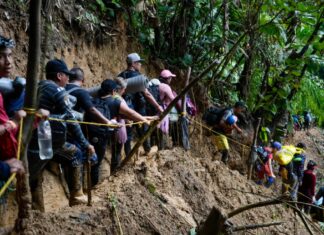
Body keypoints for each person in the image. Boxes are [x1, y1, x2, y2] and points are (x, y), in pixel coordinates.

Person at [28, 59, 95, 209]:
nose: (68, 79)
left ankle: (36, 208)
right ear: (59, 75)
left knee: (35, 175)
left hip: (32, 139)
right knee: (75, 153)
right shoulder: (57, 90)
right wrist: (85, 144)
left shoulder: (39, 86)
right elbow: (71, 119)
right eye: (66, 75)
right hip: (47, 140)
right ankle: (77, 195)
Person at [85, 79, 156, 185]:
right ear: (114, 91)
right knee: (96, 163)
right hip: (101, 137)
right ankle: (93, 188)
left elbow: (125, 116)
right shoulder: (115, 102)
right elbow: (130, 113)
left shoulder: (94, 100)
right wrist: (145, 121)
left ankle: (88, 186)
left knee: (91, 161)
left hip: (88, 134)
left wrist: (148, 117)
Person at [118, 53, 162, 156]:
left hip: (123, 108)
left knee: (128, 134)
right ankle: (147, 150)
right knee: (143, 129)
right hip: (136, 108)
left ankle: (127, 155)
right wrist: (158, 107)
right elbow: (146, 94)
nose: (140, 65)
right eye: (139, 63)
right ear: (133, 64)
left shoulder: (120, 75)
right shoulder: (138, 77)